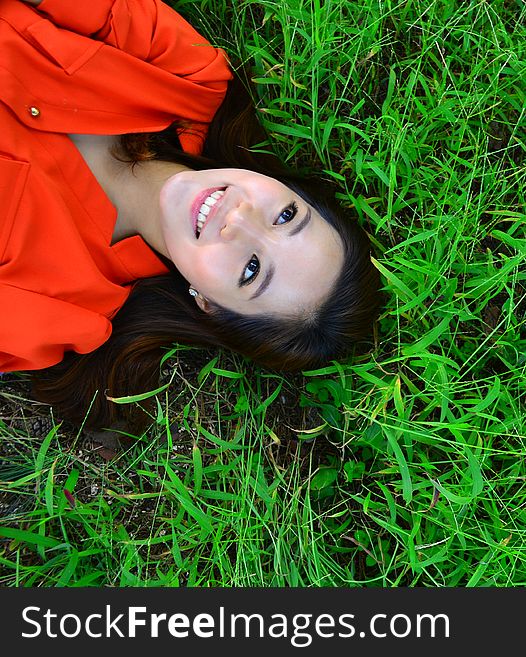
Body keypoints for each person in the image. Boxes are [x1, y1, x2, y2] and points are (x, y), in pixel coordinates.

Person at [0, 0, 384, 427]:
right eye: (285, 216)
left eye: (252, 270)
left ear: (208, 304)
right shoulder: (188, 78)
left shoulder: (55, 306)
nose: (238, 219)